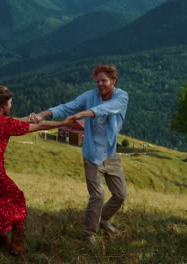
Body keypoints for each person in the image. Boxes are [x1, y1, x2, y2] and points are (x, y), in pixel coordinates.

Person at [0, 85, 73, 256]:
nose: (11, 106)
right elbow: (40, 127)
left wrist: (29, 118)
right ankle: (16, 245)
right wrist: (63, 123)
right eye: (10, 102)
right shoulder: (4, 124)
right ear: (2, 105)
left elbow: (14, 123)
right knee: (17, 200)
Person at [29, 65, 129, 246]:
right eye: (97, 80)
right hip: (91, 154)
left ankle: (103, 219)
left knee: (120, 195)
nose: (100, 84)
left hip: (111, 155)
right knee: (97, 196)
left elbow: (107, 109)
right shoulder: (89, 96)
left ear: (113, 81)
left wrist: (82, 114)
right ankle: (89, 234)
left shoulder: (121, 97)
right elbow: (67, 107)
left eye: (104, 80)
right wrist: (43, 115)